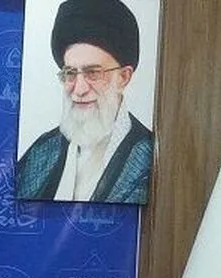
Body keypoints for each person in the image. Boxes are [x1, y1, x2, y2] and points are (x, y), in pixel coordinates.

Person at [15, 0, 152, 204]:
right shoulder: (43, 150)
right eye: (70, 73)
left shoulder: (148, 157)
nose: (79, 89)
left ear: (123, 77)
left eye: (93, 73)